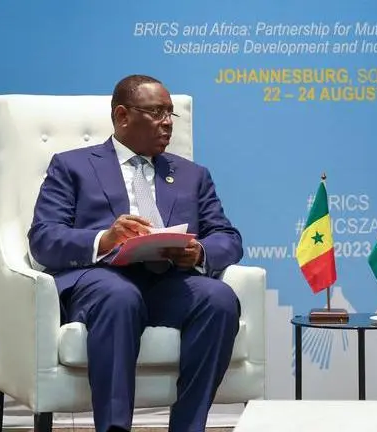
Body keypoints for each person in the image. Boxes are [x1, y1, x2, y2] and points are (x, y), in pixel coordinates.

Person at [27, 74, 243, 432]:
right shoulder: (72, 166)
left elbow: (228, 237)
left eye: (171, 113)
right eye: (157, 112)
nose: (167, 122)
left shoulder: (192, 175)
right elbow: (44, 238)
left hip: (168, 282)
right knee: (119, 296)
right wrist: (104, 239)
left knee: (219, 298)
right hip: (101, 281)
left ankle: (189, 427)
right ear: (123, 116)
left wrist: (199, 252)